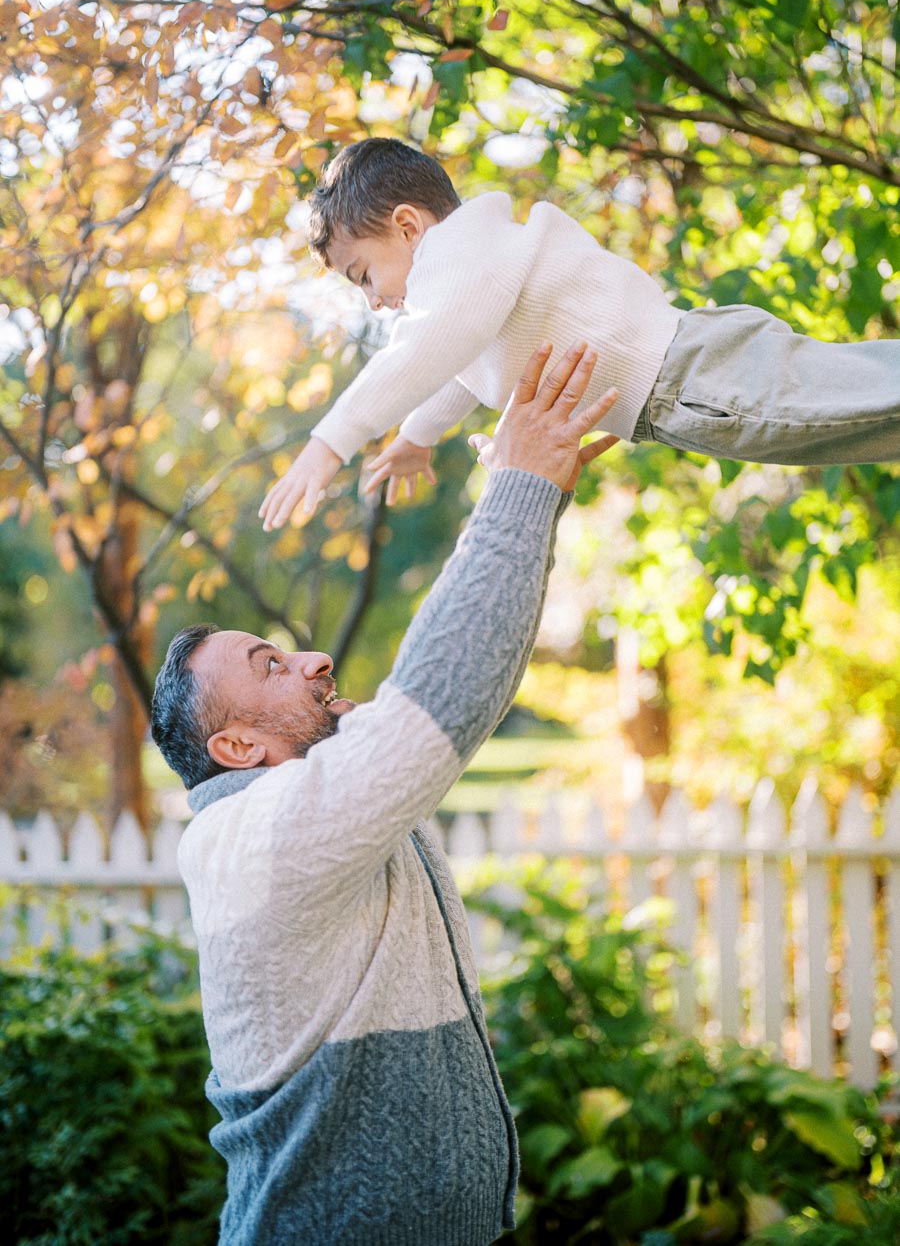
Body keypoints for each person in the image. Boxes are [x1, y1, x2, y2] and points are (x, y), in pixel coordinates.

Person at [152, 345, 619, 1245]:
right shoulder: (253, 837)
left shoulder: (309, 803)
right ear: (238, 745)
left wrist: (539, 486)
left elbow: (460, 673)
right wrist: (518, 486)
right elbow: (439, 698)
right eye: (272, 666)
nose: (314, 658)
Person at [258, 137, 900, 532]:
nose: (373, 302)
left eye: (364, 275)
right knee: (867, 420)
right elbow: (454, 371)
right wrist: (415, 438)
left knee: (865, 401)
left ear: (408, 226)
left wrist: (330, 442)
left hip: (694, 377)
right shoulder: (471, 287)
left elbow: (425, 347)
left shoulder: (460, 252)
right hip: (686, 392)